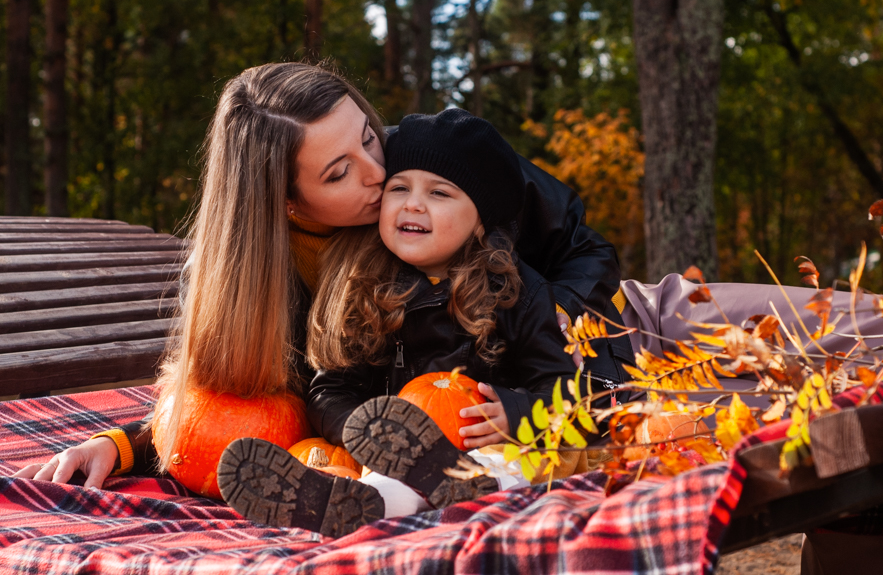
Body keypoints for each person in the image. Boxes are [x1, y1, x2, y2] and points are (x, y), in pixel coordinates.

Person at [11, 62, 631, 489]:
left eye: (367, 134)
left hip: (552, 350)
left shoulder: (435, 164)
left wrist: (554, 330)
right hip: (407, 419)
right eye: (338, 173)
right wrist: (125, 446)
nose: (376, 171)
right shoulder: (270, 273)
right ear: (284, 204)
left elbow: (582, 246)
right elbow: (247, 396)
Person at [214, 109, 589, 537]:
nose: (413, 203)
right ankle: (346, 505)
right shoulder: (361, 283)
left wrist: (519, 412)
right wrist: (366, 428)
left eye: (440, 193)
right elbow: (330, 388)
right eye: (399, 188)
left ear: (480, 218)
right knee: (392, 475)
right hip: (400, 452)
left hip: (491, 446)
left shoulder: (517, 291)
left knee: (522, 464)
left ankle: (472, 492)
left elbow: (567, 391)